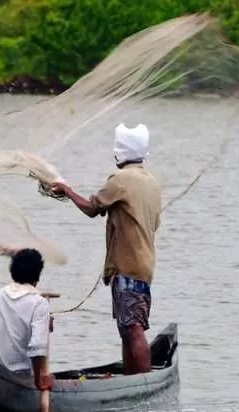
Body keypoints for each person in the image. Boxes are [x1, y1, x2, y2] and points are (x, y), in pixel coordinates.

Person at [51, 123, 162, 374]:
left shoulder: (121, 180)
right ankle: (131, 377)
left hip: (129, 267)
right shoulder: (151, 182)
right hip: (143, 265)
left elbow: (92, 209)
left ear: (119, 152)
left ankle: (141, 382)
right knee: (128, 327)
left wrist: (66, 190)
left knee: (132, 328)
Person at [0, 248, 53, 391]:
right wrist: (38, 381)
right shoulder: (39, 303)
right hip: (17, 378)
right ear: (37, 275)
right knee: (50, 379)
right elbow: (38, 347)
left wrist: (44, 325)